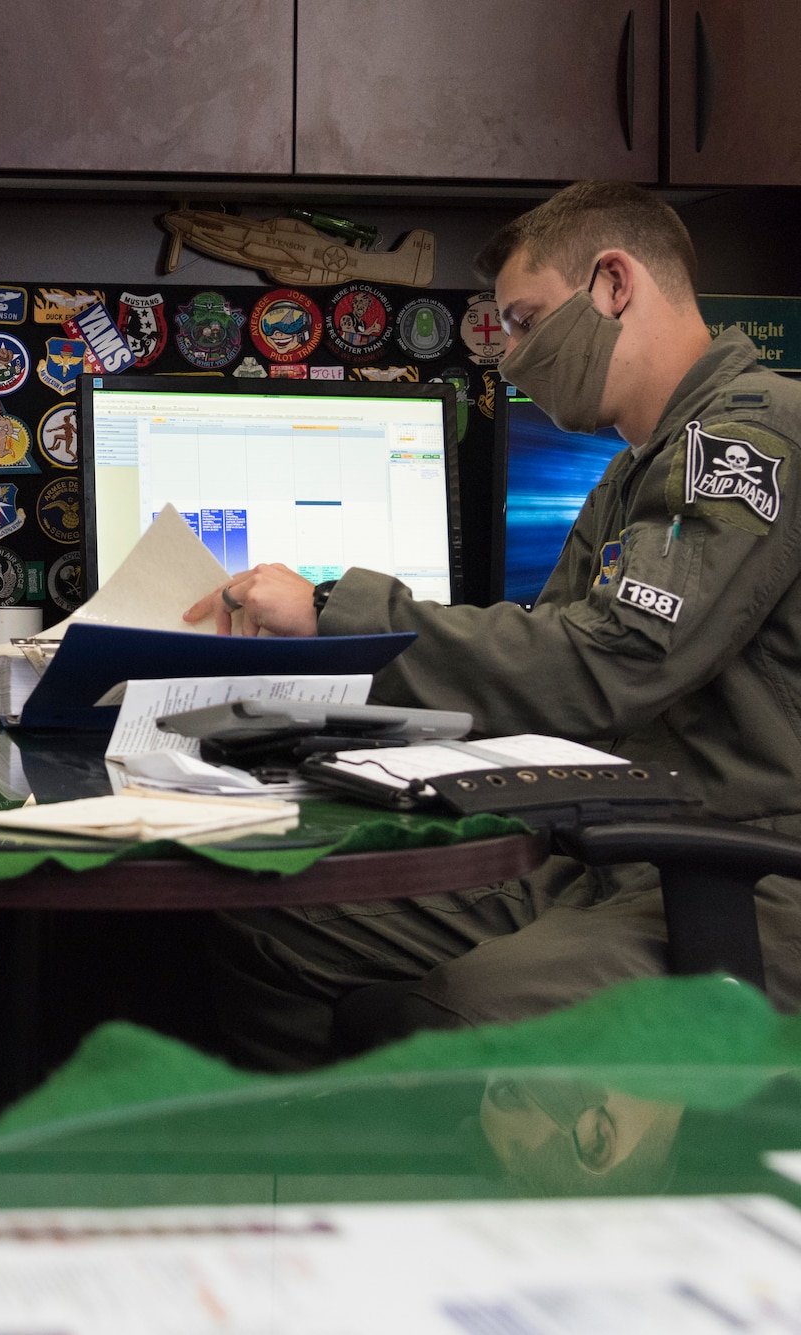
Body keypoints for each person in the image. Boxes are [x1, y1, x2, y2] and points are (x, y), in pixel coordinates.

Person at [185, 180, 801, 1070]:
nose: (508, 358)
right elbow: (541, 667)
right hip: (615, 855)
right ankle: (312, 1181)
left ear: (614, 284)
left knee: (471, 1009)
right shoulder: (639, 469)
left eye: (524, 319)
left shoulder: (752, 438)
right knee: (280, 918)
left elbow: (612, 665)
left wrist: (330, 611)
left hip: (743, 879)